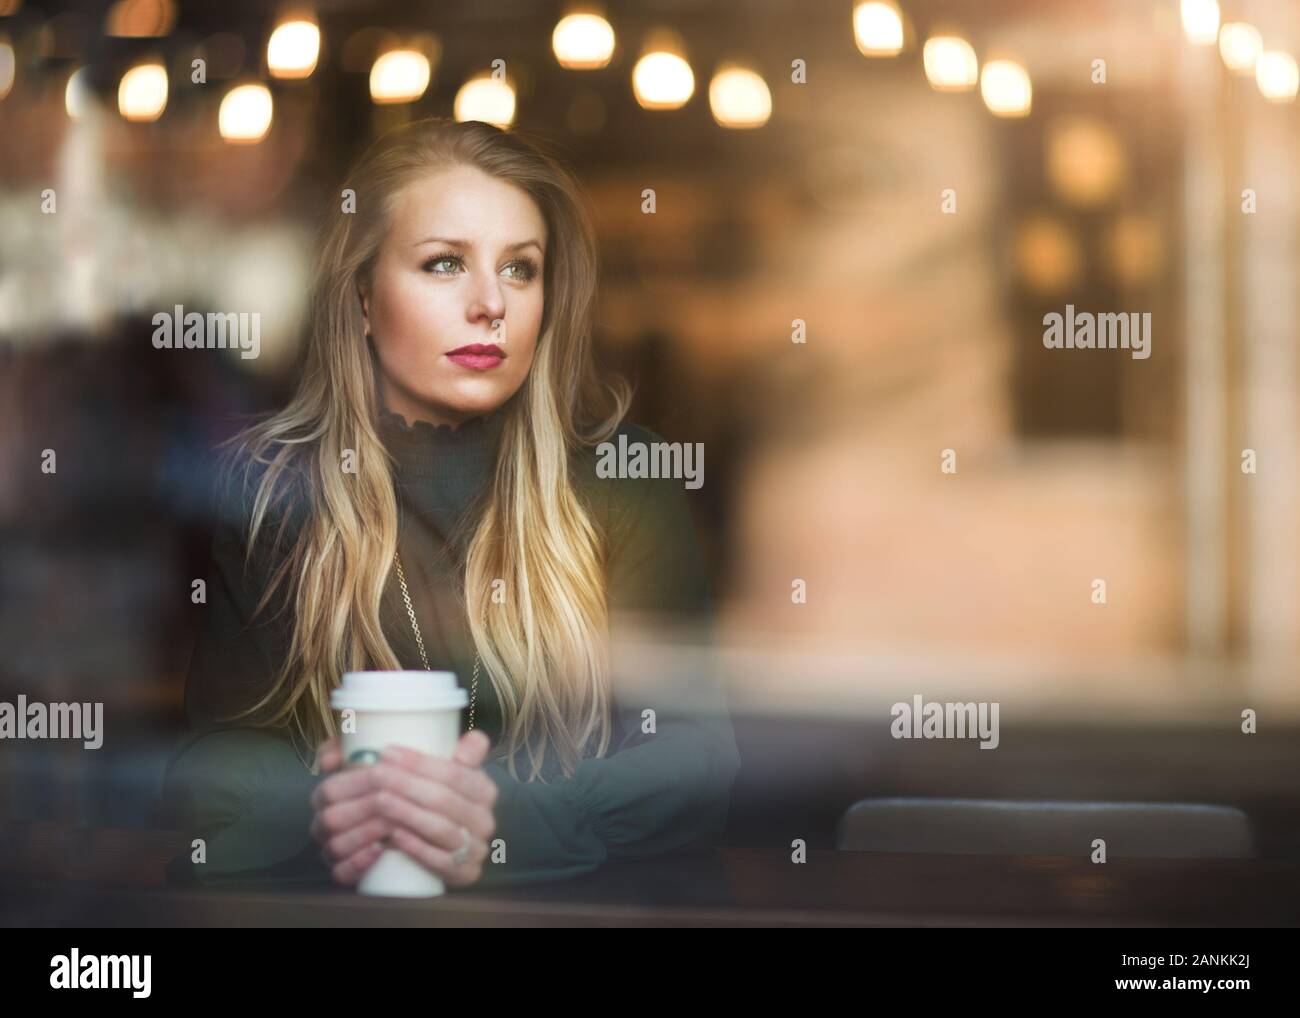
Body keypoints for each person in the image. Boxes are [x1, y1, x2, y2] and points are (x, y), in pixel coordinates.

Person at [161, 117, 741, 891]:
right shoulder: (277, 492)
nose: (491, 303)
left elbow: (698, 759)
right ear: (362, 294)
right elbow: (211, 770)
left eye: (521, 269)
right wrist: (331, 802)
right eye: (443, 264)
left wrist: (501, 815)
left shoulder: (618, 477)